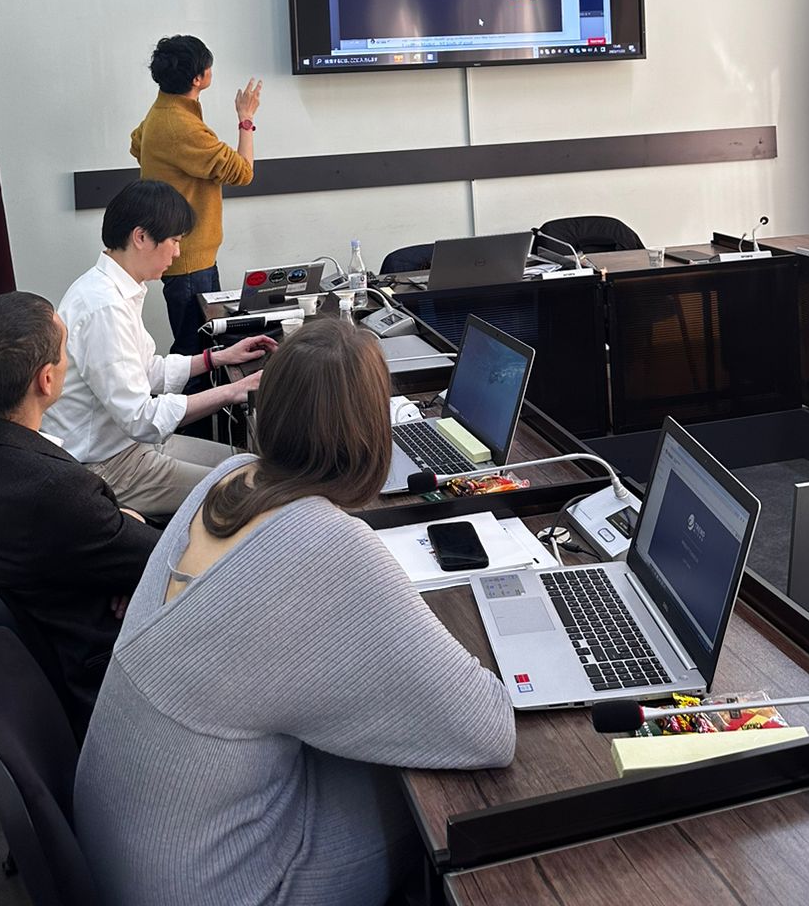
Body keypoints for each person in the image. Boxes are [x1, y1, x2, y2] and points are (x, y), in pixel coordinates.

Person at [74, 316, 515, 906]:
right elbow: (488, 730)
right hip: (221, 886)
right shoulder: (330, 545)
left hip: (128, 846)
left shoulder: (229, 478)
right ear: (372, 432)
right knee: (442, 799)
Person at [0, 291, 161, 735]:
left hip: (26, 635)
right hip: (87, 669)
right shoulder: (59, 490)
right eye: (66, 351)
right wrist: (129, 555)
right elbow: (163, 558)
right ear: (46, 380)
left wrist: (118, 553)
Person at [43, 180, 276, 516]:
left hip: (132, 446)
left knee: (247, 463)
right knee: (252, 486)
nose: (177, 253)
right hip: (108, 467)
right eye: (175, 241)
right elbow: (141, 418)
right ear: (141, 237)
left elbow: (146, 371)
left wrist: (217, 358)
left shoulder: (110, 288)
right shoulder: (103, 307)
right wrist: (233, 390)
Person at [131, 33, 262, 353]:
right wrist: (246, 120)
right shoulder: (182, 126)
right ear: (197, 78)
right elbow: (243, 172)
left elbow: (136, 144)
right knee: (197, 351)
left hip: (189, 253)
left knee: (208, 346)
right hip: (189, 258)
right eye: (208, 67)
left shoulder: (162, 110)